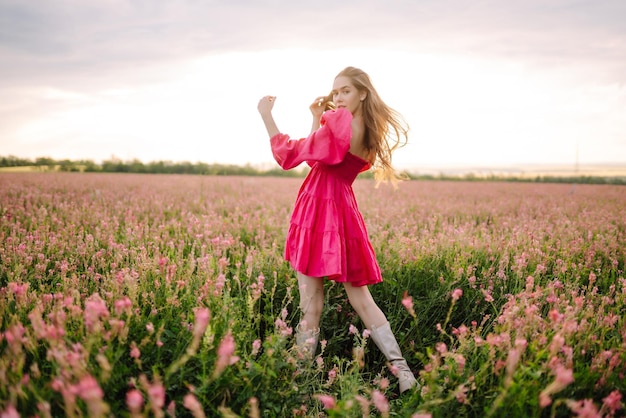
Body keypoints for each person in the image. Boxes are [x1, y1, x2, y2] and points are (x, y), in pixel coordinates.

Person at [257, 66, 417, 393]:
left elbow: (292, 155)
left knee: (310, 303)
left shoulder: (342, 122)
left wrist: (266, 116)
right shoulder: (367, 130)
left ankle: (301, 382)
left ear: (362, 93)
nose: (338, 98)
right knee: (361, 299)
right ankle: (404, 375)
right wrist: (317, 118)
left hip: (318, 209)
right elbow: (323, 157)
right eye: (336, 92)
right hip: (342, 210)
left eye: (345, 90)